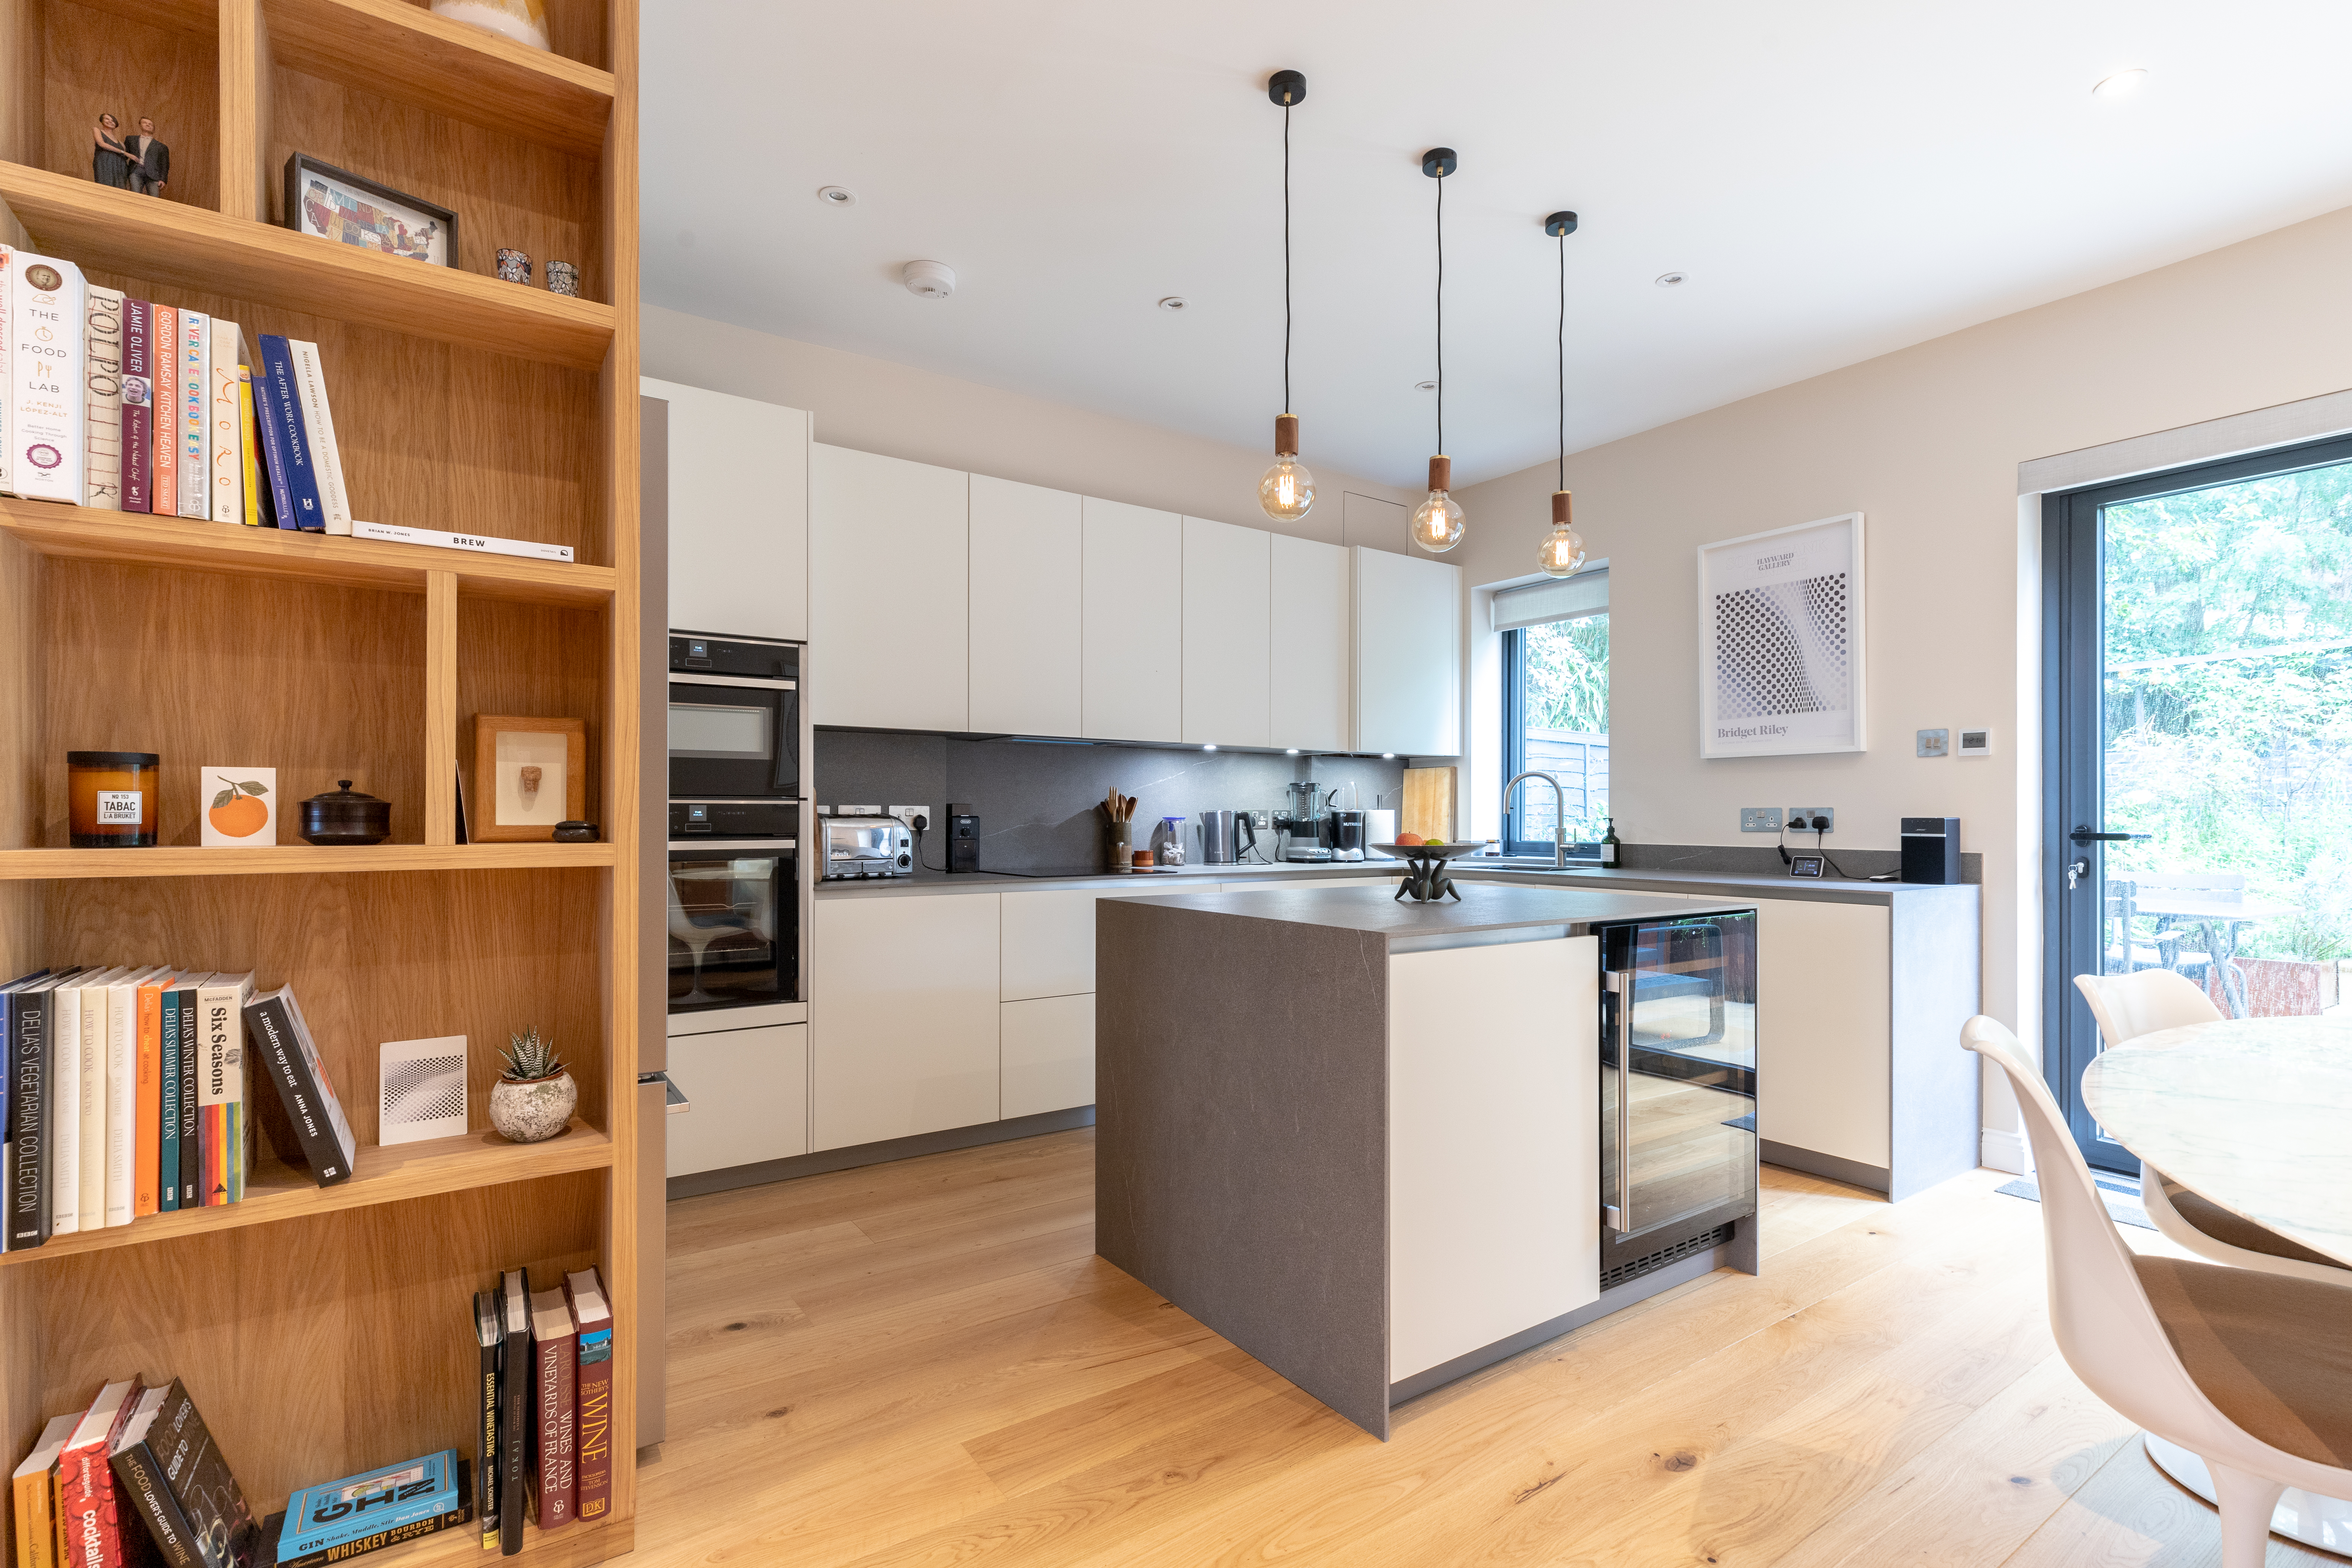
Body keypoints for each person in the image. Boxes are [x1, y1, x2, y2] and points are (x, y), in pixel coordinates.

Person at [126, 116, 168, 197]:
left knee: (154, 198)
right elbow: (125, 155)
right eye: (145, 123)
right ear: (140, 125)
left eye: (151, 124)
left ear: (154, 128)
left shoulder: (161, 147)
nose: (148, 125)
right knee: (135, 196)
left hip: (153, 174)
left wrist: (163, 179)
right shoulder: (130, 140)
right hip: (136, 171)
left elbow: (164, 165)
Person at [91, 112, 132, 189]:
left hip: (119, 166)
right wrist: (124, 153)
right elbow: (102, 144)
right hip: (104, 163)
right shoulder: (97, 130)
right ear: (102, 121)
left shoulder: (121, 143)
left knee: (120, 189)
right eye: (107, 119)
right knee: (105, 186)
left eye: (113, 121)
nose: (110, 122)